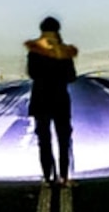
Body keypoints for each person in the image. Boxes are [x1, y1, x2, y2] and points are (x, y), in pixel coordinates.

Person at [25, 16, 78, 184]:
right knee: (64, 138)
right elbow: (71, 77)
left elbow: (32, 73)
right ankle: (64, 176)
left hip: (40, 99)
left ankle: (48, 176)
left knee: (44, 140)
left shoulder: (34, 52)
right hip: (60, 99)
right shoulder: (64, 51)